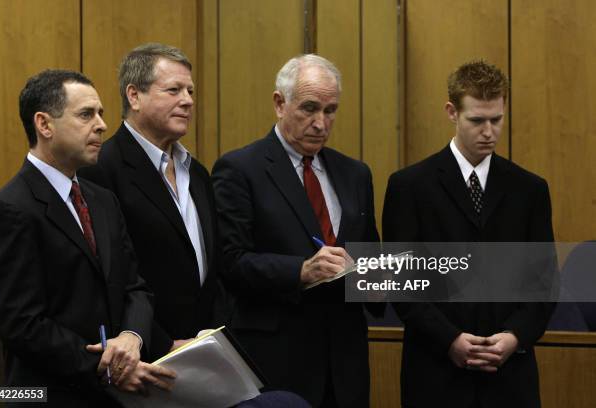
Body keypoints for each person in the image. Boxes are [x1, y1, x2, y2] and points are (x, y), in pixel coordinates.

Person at [0, 70, 175, 407]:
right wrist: (107, 369)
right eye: (87, 114)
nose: (101, 125)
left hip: (118, 396)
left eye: (101, 113)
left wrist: (132, 338)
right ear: (44, 125)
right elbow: (22, 325)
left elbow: (134, 287)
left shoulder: (102, 200)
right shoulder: (9, 209)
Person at [212, 54, 382, 407]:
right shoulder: (240, 169)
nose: (321, 123)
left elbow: (371, 254)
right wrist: (301, 271)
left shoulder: (355, 174)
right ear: (279, 103)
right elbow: (231, 262)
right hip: (280, 360)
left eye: (331, 110)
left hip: (346, 363)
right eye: (309, 108)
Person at [382, 60, 555, 407]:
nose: (489, 132)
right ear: (452, 112)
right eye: (477, 120)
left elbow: (544, 283)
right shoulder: (409, 187)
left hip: (509, 376)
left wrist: (514, 336)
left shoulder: (530, 189)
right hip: (435, 372)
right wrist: (450, 339)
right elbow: (402, 284)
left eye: (497, 119)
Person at [79, 43, 226, 359]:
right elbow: (110, 280)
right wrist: (161, 344)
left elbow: (213, 270)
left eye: (190, 90)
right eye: (173, 90)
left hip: (204, 351)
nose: (187, 101)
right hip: (141, 357)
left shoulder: (197, 173)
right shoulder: (101, 170)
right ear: (134, 96)